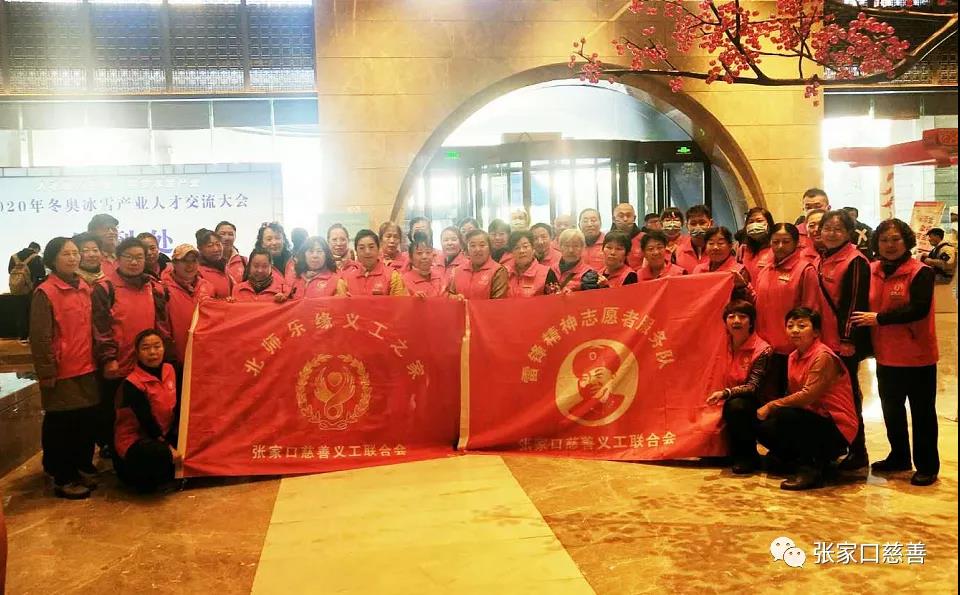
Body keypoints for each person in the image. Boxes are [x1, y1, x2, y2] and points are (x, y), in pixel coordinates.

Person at [852, 219, 940, 486]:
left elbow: (918, 309)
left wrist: (879, 319)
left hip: (918, 356)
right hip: (886, 356)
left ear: (906, 241)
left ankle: (927, 466)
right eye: (884, 240)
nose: (889, 245)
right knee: (892, 411)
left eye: (895, 239)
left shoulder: (921, 272)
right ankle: (899, 457)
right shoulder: (872, 270)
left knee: (922, 413)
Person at [755, 307, 859, 490]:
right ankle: (797, 460)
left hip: (836, 425)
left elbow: (808, 395)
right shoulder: (793, 356)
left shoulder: (823, 356)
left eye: (802, 326)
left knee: (785, 415)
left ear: (816, 332)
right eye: (790, 326)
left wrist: (771, 405)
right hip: (811, 417)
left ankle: (810, 470)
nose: (795, 330)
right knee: (764, 427)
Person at [29, 237, 100, 499]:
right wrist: (47, 372)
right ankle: (63, 476)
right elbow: (40, 337)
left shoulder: (84, 286)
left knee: (85, 422)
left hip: (87, 366)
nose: (73, 258)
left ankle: (81, 466)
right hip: (62, 371)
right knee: (62, 425)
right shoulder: (45, 292)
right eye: (65, 254)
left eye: (75, 253)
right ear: (52, 259)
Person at [92, 236, 170, 460]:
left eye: (139, 257)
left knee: (144, 411)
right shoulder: (105, 287)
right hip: (118, 364)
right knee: (115, 413)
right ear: (118, 259)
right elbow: (100, 326)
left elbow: (161, 324)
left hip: (146, 363)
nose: (134, 262)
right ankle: (116, 454)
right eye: (129, 257)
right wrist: (109, 358)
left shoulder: (153, 286)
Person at [816, 209, 871, 470]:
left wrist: (847, 340)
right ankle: (835, 446)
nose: (831, 233)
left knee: (848, 397)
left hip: (842, 344)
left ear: (849, 233)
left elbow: (854, 304)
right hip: (824, 341)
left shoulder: (855, 261)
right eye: (827, 228)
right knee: (827, 396)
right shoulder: (824, 257)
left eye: (838, 229)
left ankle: (858, 451)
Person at [705, 300, 773, 475]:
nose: (736, 321)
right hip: (719, 395)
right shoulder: (719, 344)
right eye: (731, 316)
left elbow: (753, 387)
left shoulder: (763, 350)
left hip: (751, 402)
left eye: (742, 317)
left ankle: (747, 455)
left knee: (737, 406)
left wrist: (725, 393)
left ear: (751, 322)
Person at [754, 223, 821, 394]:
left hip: (791, 347)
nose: (780, 246)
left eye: (786, 241)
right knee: (766, 395)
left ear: (796, 243)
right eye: (775, 241)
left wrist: (802, 344)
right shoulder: (765, 269)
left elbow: (810, 310)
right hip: (764, 346)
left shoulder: (805, 269)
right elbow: (758, 301)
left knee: (787, 397)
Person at [113, 329, 180, 493]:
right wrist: (168, 448)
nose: (152, 352)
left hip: (164, 433)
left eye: (157, 346)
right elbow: (147, 422)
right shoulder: (132, 383)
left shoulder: (171, 369)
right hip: (137, 441)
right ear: (137, 352)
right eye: (146, 348)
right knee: (158, 453)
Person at [160, 244, 214, 364]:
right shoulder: (162, 289)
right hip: (176, 359)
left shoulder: (208, 287)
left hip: (204, 355)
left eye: (194, 261)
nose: (190, 265)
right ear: (174, 263)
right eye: (185, 261)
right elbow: (162, 327)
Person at [692, 227, 755, 303]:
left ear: (730, 246)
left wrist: (742, 287)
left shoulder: (739, 271)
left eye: (720, 243)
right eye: (711, 243)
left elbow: (751, 301)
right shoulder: (698, 269)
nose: (715, 247)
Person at [337, 229, 407, 296]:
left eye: (371, 247)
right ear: (356, 252)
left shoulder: (392, 276)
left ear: (378, 249)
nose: (367, 251)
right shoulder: (347, 280)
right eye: (362, 248)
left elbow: (400, 302)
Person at [449, 230, 508, 299]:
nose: (477, 249)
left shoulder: (498, 271)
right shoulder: (458, 271)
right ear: (467, 250)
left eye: (482, 245)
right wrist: (454, 298)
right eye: (472, 245)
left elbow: (498, 303)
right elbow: (450, 295)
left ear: (490, 248)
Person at [505, 230, 557, 297]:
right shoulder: (505, 273)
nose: (522, 251)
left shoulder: (547, 273)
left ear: (533, 248)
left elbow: (556, 300)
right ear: (511, 252)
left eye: (525, 246)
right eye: (516, 248)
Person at [736, 207, 774, 283]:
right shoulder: (743, 249)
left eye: (759, 221)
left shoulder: (775, 248)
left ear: (768, 224)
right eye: (751, 222)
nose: (754, 225)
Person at [403, 232, 446, 297]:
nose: (424, 257)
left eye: (428, 252)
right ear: (411, 258)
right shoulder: (404, 280)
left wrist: (455, 297)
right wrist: (413, 299)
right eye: (419, 253)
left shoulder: (439, 276)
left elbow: (447, 296)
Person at [674, 205, 713, 273]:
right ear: (687, 225)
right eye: (693, 224)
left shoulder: (720, 249)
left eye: (702, 223)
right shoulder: (677, 252)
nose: (698, 227)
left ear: (711, 223)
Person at [196, 229, 232, 299]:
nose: (216, 249)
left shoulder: (224, 266)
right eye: (210, 246)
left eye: (218, 244)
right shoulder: (196, 271)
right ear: (200, 248)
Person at [611, 203, 644, 268]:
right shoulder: (607, 240)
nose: (625, 219)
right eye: (621, 216)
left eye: (628, 216)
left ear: (634, 218)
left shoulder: (644, 238)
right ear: (614, 219)